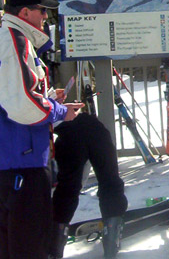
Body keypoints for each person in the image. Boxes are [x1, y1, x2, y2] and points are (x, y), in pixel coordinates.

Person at [0, 0, 82, 259]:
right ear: (24, 13)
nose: (46, 16)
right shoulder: (14, 41)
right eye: (41, 9)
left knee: (10, 243)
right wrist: (59, 111)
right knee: (28, 243)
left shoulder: (4, 38)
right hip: (21, 158)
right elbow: (22, 105)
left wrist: (46, 97)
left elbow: (13, 93)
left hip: (8, 158)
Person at [51, 111, 128, 258]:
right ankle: (112, 238)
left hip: (67, 131)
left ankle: (54, 245)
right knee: (110, 182)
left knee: (66, 189)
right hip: (92, 129)